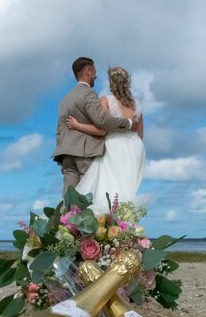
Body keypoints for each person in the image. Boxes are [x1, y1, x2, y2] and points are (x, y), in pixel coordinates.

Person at [65, 66, 147, 214]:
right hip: (135, 148)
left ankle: (107, 222)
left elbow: (103, 128)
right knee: (127, 187)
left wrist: (77, 125)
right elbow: (140, 134)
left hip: (114, 146)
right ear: (127, 82)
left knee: (108, 185)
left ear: (111, 83)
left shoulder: (105, 100)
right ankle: (125, 222)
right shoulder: (137, 105)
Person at [51, 57, 136, 194]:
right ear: (88, 71)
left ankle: (66, 216)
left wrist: (62, 160)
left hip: (66, 155)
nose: (96, 76)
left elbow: (59, 130)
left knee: (69, 195)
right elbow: (101, 120)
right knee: (88, 193)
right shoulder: (88, 93)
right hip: (85, 152)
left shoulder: (64, 100)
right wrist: (128, 123)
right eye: (94, 72)